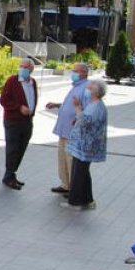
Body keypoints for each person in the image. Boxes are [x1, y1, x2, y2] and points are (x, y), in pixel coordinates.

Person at [44, 62, 90, 195]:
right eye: (73, 70)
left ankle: (74, 189)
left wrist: (79, 119)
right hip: (64, 130)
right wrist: (57, 105)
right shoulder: (75, 86)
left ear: (84, 73)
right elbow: (71, 104)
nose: (73, 73)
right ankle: (65, 184)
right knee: (62, 159)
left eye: (76, 71)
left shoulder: (86, 88)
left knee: (71, 161)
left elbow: (87, 109)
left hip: (74, 132)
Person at [62, 79, 108, 210]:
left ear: (94, 91)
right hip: (83, 145)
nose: (87, 90)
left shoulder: (97, 106)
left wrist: (77, 108)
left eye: (90, 87)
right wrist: (77, 118)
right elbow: (84, 118)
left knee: (78, 173)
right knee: (83, 173)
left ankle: (75, 202)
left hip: (87, 146)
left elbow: (86, 121)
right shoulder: (93, 104)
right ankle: (87, 200)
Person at [0, 57, 38, 189]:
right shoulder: (12, 81)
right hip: (13, 121)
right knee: (12, 149)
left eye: (25, 67)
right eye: (21, 66)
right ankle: (9, 177)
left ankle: (10, 174)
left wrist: (31, 112)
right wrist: (19, 107)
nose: (22, 69)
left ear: (31, 69)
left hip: (27, 121)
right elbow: (3, 100)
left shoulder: (33, 82)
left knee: (21, 149)